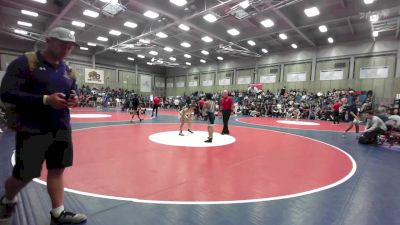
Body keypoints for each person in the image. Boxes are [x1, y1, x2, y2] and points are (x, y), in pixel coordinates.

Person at [0, 27, 87, 224]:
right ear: (48, 40)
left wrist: (74, 99)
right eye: (63, 44)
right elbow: (6, 93)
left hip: (61, 127)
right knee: (25, 174)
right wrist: (45, 100)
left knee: (57, 169)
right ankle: (7, 200)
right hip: (32, 129)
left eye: (70, 46)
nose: (67, 49)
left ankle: (58, 213)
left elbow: (73, 92)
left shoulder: (68, 70)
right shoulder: (26, 63)